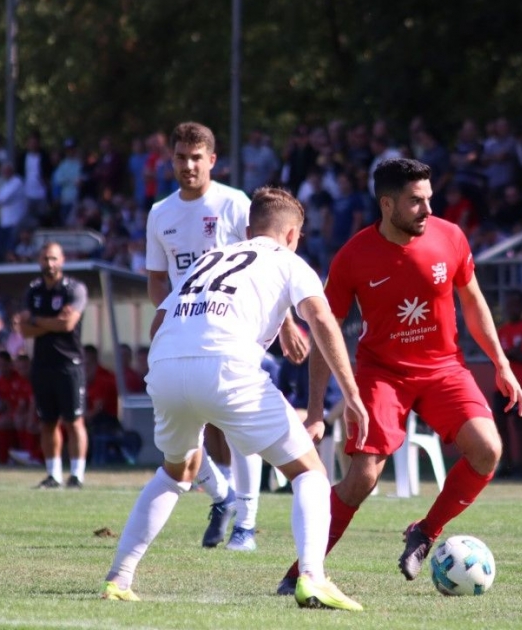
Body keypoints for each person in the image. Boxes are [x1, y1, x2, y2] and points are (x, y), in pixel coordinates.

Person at [101, 187, 369, 610]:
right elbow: (321, 318)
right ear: (293, 235)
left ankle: (119, 577)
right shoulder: (289, 261)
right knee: (309, 472)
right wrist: (351, 393)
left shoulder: (209, 258)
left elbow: (159, 320)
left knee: (176, 472)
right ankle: (313, 578)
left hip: (166, 364)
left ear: (247, 231)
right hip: (226, 366)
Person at [275, 158, 522, 594]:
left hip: (444, 369)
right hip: (383, 375)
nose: (427, 209)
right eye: (416, 201)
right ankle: (301, 573)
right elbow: (324, 331)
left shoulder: (450, 237)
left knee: (488, 449)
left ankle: (425, 533)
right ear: (387, 204)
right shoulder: (353, 256)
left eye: (429, 198)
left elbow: (473, 302)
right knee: (362, 479)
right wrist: (316, 411)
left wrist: (502, 364)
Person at [144, 121, 309, 551]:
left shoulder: (234, 204)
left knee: (239, 425)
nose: (188, 165)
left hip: (236, 329)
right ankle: (222, 495)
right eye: (181, 157)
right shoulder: (160, 213)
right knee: (183, 428)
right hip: (186, 327)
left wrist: (287, 324)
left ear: (212, 160)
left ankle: (246, 525)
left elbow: (267, 262)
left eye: (196, 158)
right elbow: (158, 278)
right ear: (171, 160)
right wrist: (166, 316)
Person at [18, 242, 89, 489]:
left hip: (69, 364)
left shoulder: (74, 289)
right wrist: (51, 323)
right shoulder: (33, 290)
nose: (50, 263)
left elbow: (67, 325)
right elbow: (24, 330)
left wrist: (36, 320)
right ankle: (53, 475)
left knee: (74, 421)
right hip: (42, 364)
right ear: (39, 260)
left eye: (54, 258)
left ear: (63, 260)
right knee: (47, 422)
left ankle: (77, 475)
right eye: (45, 258)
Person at [494, 291, 522, 479]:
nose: (511, 309)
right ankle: (507, 463)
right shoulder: (501, 330)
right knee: (501, 424)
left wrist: (506, 355)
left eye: (515, 305)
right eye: (509, 305)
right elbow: (495, 357)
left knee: (520, 424)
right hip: (501, 386)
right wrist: (510, 353)